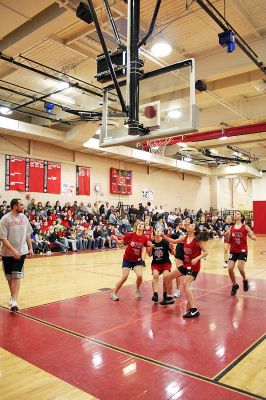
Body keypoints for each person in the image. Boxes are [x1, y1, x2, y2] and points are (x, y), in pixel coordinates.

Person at [161, 222, 208, 318]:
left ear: (194, 230)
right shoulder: (185, 237)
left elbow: (206, 252)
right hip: (186, 265)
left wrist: (197, 259)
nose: (189, 226)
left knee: (186, 284)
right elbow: (174, 241)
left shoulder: (197, 240)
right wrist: (163, 236)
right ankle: (169, 296)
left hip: (194, 266)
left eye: (191, 225)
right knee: (168, 277)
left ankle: (194, 310)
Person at [0, 198, 33, 311]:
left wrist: (30, 247)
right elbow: (3, 238)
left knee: (16, 275)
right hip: (7, 252)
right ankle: (12, 297)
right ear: (15, 206)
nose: (23, 206)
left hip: (21, 251)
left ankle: (14, 301)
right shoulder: (5, 219)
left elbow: (28, 234)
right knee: (10, 277)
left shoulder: (24, 218)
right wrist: (13, 251)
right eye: (21, 205)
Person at [111, 221, 152, 301]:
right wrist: (116, 239)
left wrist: (151, 247)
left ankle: (137, 289)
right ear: (136, 226)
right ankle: (114, 293)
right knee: (124, 277)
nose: (140, 225)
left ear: (143, 227)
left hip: (137, 260)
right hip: (127, 259)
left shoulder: (145, 238)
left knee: (140, 276)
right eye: (139, 224)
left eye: (142, 224)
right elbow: (120, 243)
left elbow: (149, 254)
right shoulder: (130, 235)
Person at [227, 211, 256, 296]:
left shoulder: (245, 227)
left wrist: (251, 236)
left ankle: (244, 279)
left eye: (238, 214)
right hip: (233, 250)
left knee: (240, 267)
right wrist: (227, 235)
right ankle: (235, 285)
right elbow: (228, 240)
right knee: (230, 268)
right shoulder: (231, 227)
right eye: (235, 214)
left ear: (241, 217)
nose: (236, 215)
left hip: (242, 250)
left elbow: (254, 237)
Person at [147, 227, 174, 303]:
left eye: (160, 230)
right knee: (155, 275)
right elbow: (149, 255)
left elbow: (173, 253)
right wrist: (150, 248)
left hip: (166, 263)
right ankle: (155, 294)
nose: (158, 231)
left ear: (162, 232)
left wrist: (172, 248)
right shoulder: (152, 242)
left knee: (166, 277)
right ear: (155, 231)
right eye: (157, 230)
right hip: (156, 263)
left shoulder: (165, 242)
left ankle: (165, 295)